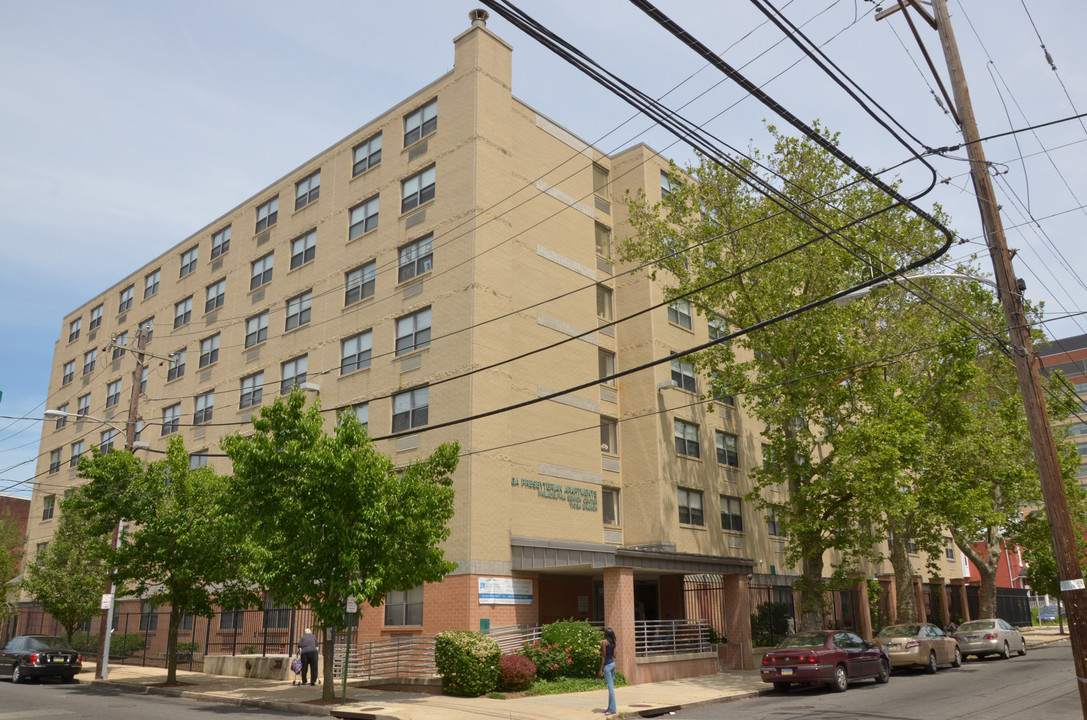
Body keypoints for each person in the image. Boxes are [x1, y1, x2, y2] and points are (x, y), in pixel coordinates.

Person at [598, 627, 617, 716]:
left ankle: (612, 709)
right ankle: (609, 707)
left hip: (607, 666)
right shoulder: (613, 643)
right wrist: (614, 646)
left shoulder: (604, 642)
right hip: (613, 664)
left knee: (610, 688)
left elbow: (604, 656)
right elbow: (615, 655)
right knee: (611, 687)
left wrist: (601, 669)